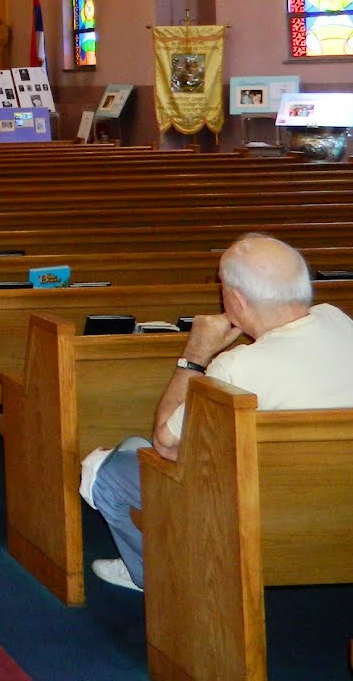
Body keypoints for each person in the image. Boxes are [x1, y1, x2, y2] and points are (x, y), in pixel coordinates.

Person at [84, 234, 353, 592]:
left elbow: (165, 444)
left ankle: (158, 577)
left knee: (103, 469)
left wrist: (195, 356)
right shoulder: (337, 320)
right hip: (339, 510)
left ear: (236, 300)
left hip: (252, 522)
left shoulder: (237, 366)